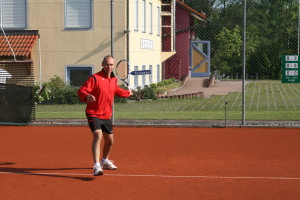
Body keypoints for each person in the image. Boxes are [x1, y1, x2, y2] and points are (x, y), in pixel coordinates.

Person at [78, 55, 132, 176]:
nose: (109, 67)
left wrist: (128, 93)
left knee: (110, 140)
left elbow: (116, 90)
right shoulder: (95, 78)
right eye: (107, 64)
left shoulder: (113, 79)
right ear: (102, 64)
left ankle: (104, 160)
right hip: (93, 113)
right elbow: (82, 90)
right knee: (98, 134)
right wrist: (87, 96)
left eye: (111, 64)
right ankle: (97, 166)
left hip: (106, 114)